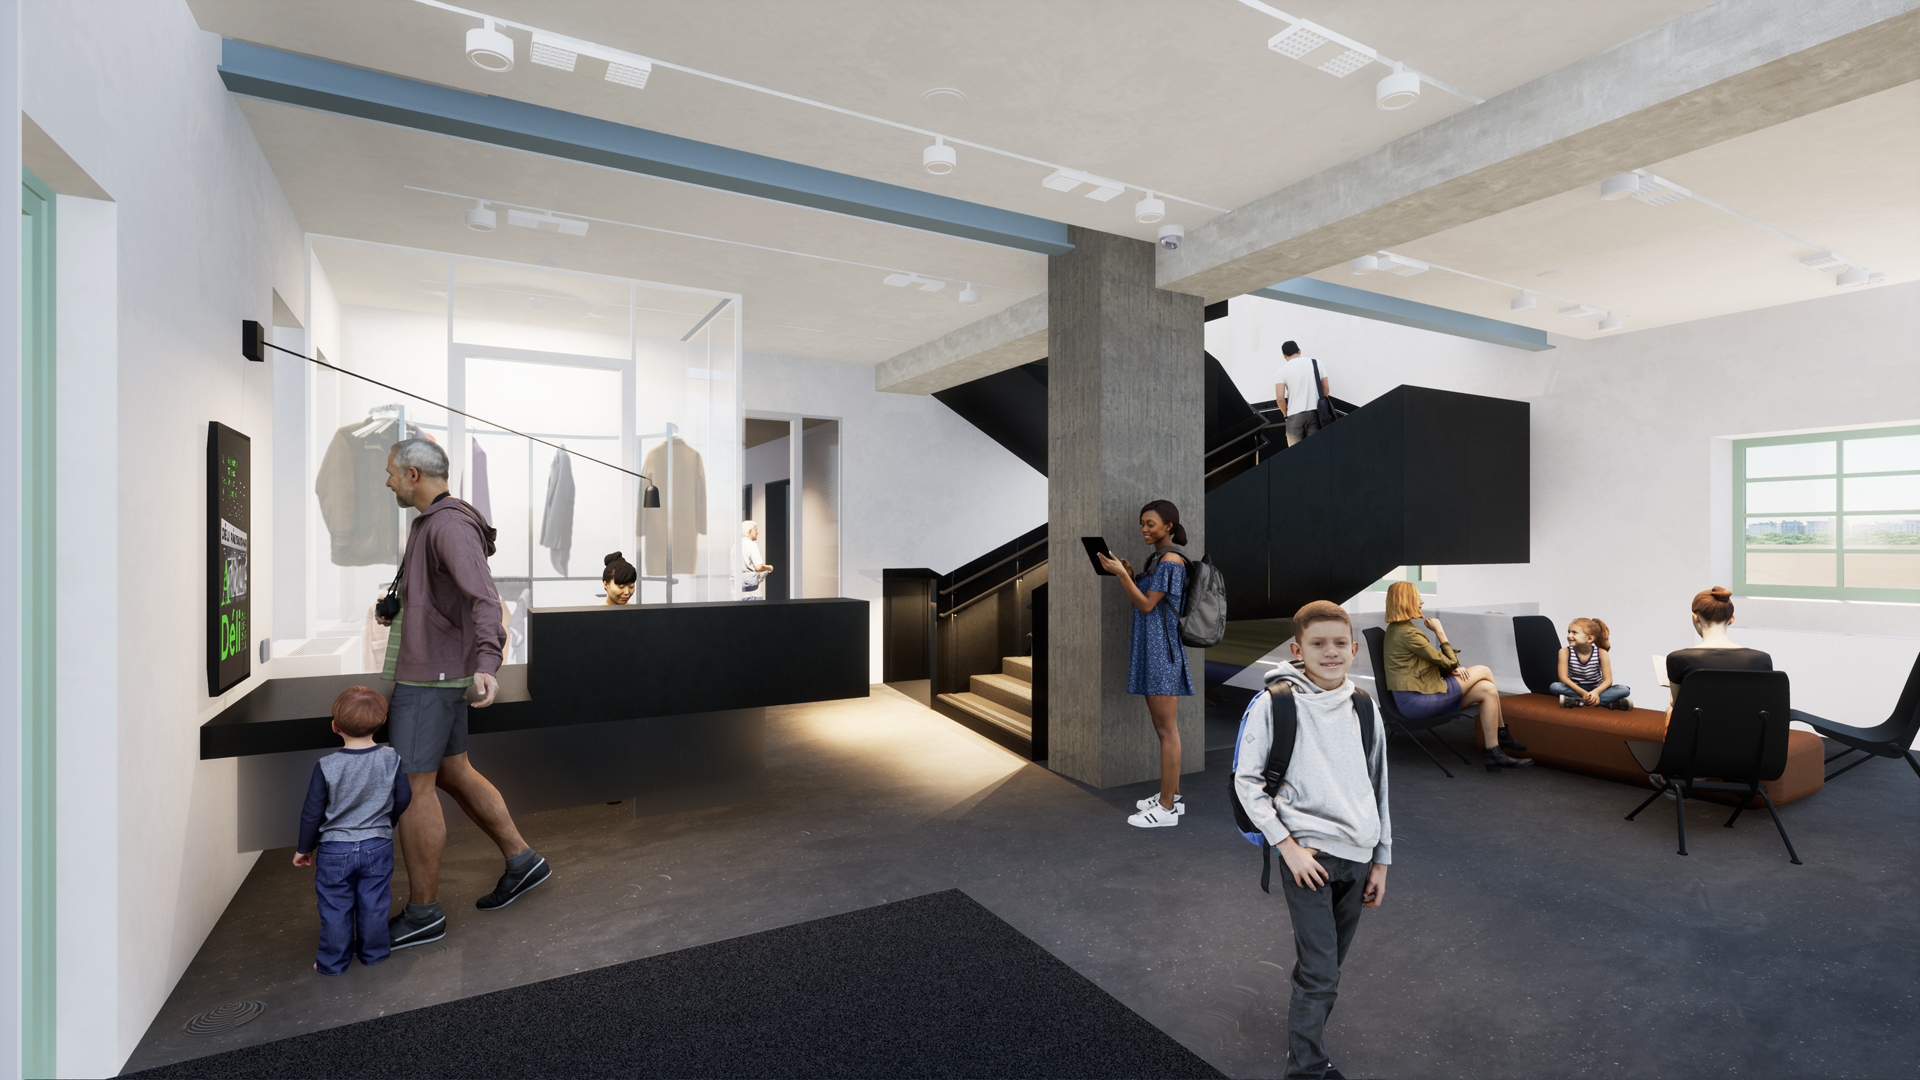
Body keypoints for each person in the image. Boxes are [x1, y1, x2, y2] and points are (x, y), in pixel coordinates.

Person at [379, 438, 550, 951]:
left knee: (414, 790)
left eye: (391, 473)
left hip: (429, 681)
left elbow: (485, 600)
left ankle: (424, 913)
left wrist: (488, 663)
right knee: (453, 772)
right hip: (436, 672)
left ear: (413, 474)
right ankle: (523, 860)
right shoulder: (432, 523)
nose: (387, 481)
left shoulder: (448, 525)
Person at [1233, 600, 1389, 1080]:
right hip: (1308, 857)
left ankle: (1306, 1041)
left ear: (1355, 649)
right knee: (1322, 972)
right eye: (1318, 643)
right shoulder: (1274, 703)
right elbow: (1247, 782)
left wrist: (1381, 860)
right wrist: (1288, 847)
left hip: (1358, 854)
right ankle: (1307, 1068)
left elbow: (1379, 784)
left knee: (1325, 968)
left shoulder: (1365, 706)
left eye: (1340, 643)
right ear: (1298, 650)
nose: (1331, 652)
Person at [294, 686, 412, 976]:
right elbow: (404, 796)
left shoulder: (327, 766)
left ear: (334, 726)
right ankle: (374, 954)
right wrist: (390, 820)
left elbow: (312, 812)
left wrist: (304, 847)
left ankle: (333, 963)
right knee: (374, 902)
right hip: (377, 844)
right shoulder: (391, 758)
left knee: (335, 906)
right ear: (382, 723)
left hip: (335, 849)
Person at [1095, 500, 1193, 828]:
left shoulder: (1171, 562)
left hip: (1162, 655)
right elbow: (1139, 604)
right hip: (1153, 652)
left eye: (1150, 523)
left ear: (1169, 526)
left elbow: (1148, 606)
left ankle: (1166, 809)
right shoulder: (1156, 561)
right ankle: (1172, 796)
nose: (1144, 529)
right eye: (1142, 524)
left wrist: (1123, 575)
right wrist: (1128, 575)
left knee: (1167, 731)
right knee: (1163, 729)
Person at [1379, 581, 1531, 772]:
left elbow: (1425, 664)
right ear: (1405, 600)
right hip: (1417, 702)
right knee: (1484, 670)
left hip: (1414, 697)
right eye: (1417, 598)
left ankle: (1494, 753)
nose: (1422, 601)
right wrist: (1440, 632)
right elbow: (1450, 661)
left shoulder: (1397, 630)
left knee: (1487, 690)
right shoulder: (1408, 634)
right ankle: (1502, 735)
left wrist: (1450, 669)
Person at [1665, 586, 1771, 718]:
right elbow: (1763, 705)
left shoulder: (1678, 659)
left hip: (1698, 730)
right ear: (1732, 619)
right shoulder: (1761, 660)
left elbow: (1678, 705)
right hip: (1746, 730)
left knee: (1669, 710)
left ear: (1695, 617)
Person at [1551, 617, 1632, 710]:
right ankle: (1607, 703)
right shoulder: (1564, 652)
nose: (1569, 635)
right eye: (1569, 632)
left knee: (1624, 689)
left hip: (1597, 689)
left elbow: (1608, 681)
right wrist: (1584, 693)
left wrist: (1596, 692)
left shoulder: (1602, 653)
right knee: (1555, 687)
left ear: (1589, 638)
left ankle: (1578, 701)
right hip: (1575, 689)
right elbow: (1563, 678)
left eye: (1574, 632)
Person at [1273, 340, 1330, 447]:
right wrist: (1322, 405)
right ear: (1299, 350)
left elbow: (1280, 398)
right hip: (1315, 413)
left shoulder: (1281, 371)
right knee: (1314, 449)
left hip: (1294, 415)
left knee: (1296, 453)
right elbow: (1326, 388)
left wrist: (1285, 415)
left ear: (1284, 355)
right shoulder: (1316, 363)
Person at [740, 520, 774, 600]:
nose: (757, 532)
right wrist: (769, 567)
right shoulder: (752, 545)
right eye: (755, 530)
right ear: (749, 531)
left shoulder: (735, 546)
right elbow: (758, 567)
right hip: (752, 594)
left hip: (739, 593)